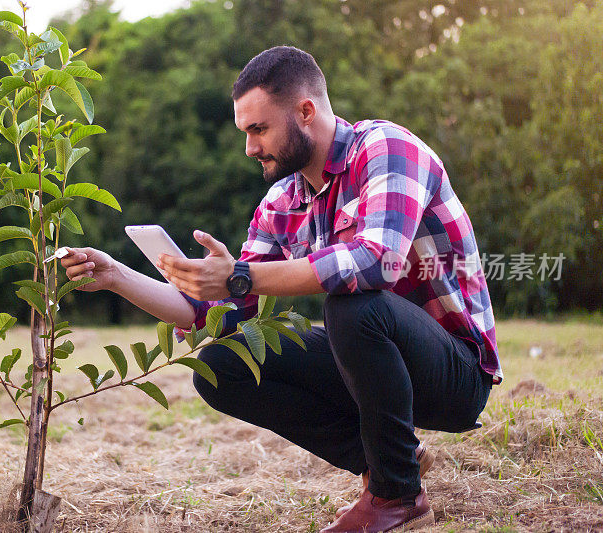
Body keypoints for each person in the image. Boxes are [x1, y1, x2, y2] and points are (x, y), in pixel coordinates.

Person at [61, 46, 501, 532]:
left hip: (454, 373)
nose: (250, 148)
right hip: (373, 368)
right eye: (245, 133)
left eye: (259, 129)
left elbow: (375, 263)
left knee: (353, 306)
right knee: (220, 364)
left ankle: (395, 497)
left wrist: (242, 276)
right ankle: (395, 463)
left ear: (305, 112)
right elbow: (212, 312)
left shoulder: (388, 149)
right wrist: (117, 277)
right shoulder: (283, 201)